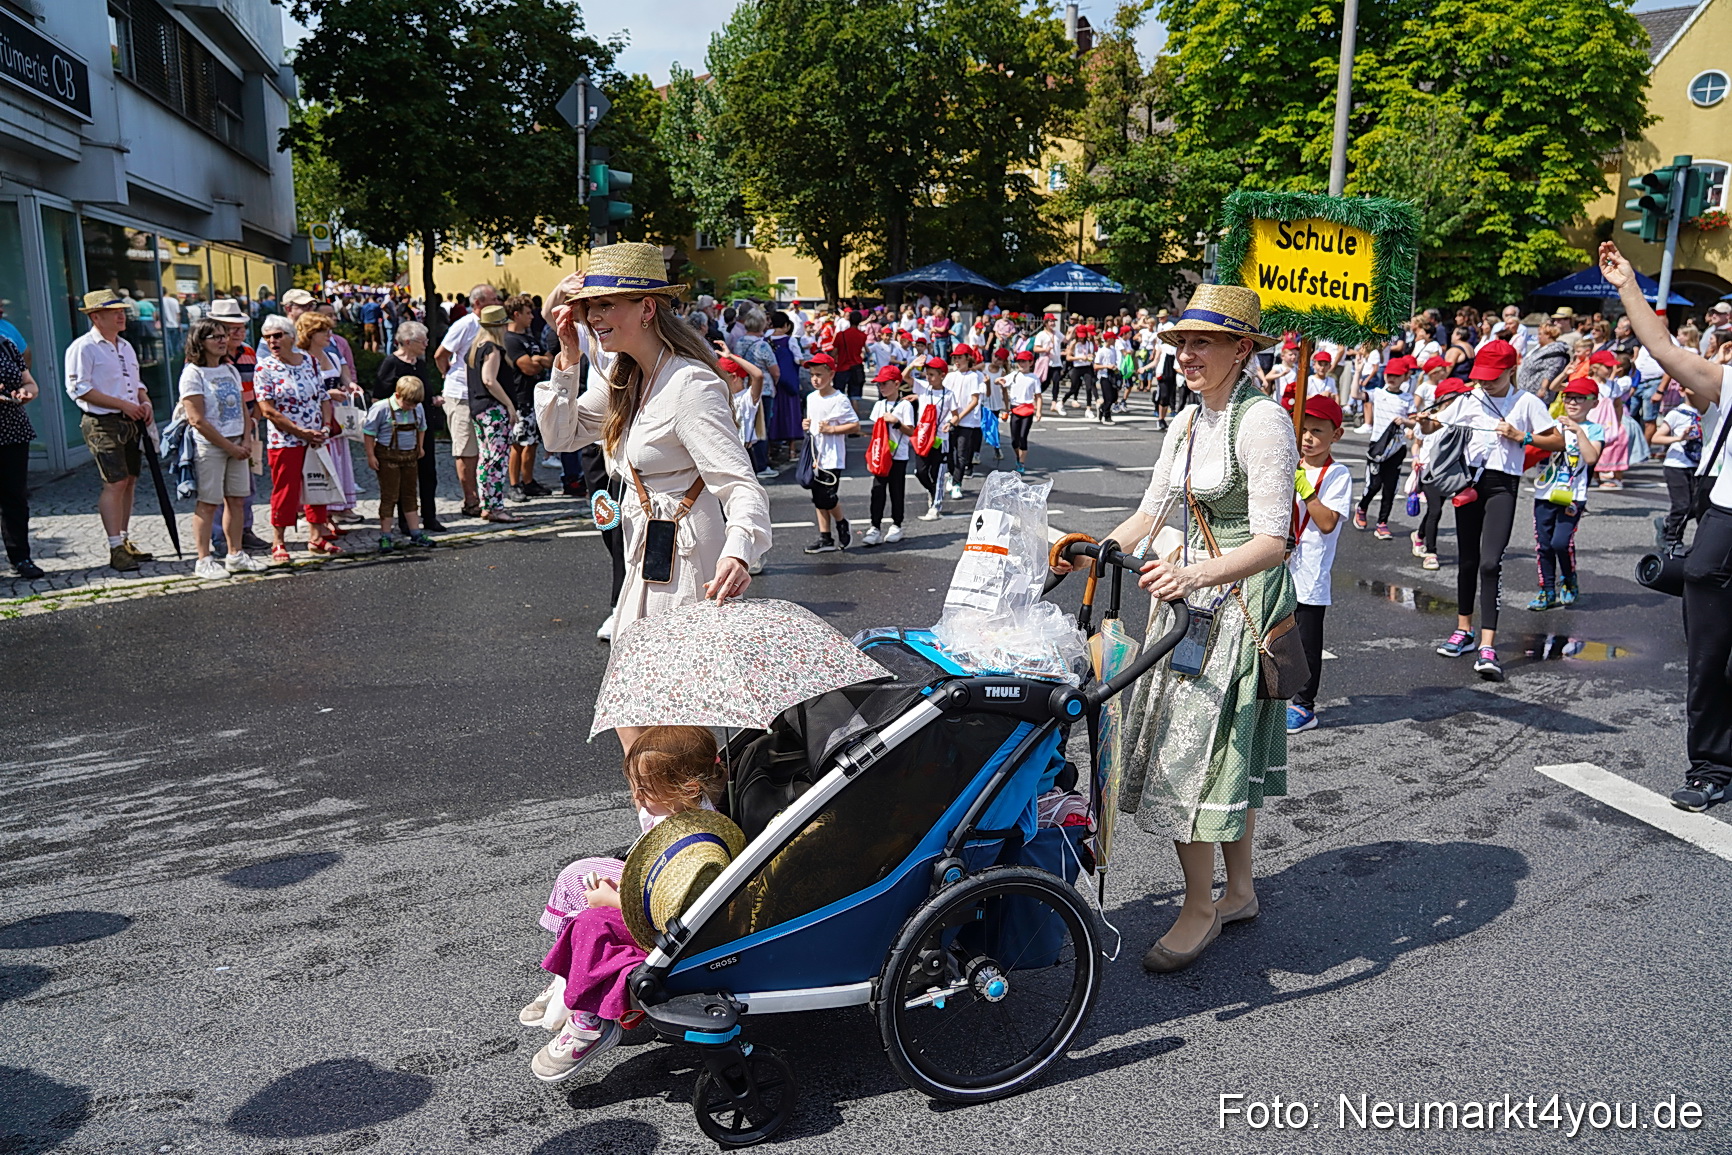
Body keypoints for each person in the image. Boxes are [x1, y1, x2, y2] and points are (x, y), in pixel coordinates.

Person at [1054, 285, 1297, 973]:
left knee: (1195, 756)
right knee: (1216, 752)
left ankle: (1202, 905)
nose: (1186, 354)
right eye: (1182, 342)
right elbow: (1149, 514)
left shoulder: (1263, 422)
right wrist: (1090, 550)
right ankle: (1239, 889)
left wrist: (1194, 576)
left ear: (1241, 349)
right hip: (1190, 598)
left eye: (1203, 342)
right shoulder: (1188, 423)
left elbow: (1275, 541)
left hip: (1237, 601)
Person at [534, 243, 773, 756]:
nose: (594, 317)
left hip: (688, 552)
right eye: (589, 307)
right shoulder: (625, 374)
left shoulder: (690, 384)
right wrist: (568, 360)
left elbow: (740, 483)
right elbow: (560, 434)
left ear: (647, 308)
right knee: (630, 701)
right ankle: (666, 821)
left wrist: (740, 549)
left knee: (678, 714)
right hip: (644, 546)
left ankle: (696, 824)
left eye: (606, 305)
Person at [1600, 241, 1732, 811]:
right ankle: (1711, 767)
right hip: (1726, 525)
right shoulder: (1727, 382)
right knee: (1708, 660)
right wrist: (1628, 283)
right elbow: (1660, 346)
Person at [527, 726, 736, 1082]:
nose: (636, 796)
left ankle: (591, 1021)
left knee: (591, 924)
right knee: (577, 873)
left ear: (687, 789)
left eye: (645, 789)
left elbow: (670, 910)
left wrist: (612, 898)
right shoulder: (677, 809)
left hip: (669, 920)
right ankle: (572, 974)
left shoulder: (698, 845)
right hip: (655, 887)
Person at [1427, 340, 1563, 681]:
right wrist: (1421, 422)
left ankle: (1489, 644)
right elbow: (1436, 425)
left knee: (1490, 562)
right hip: (1468, 483)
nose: (1485, 383)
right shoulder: (1469, 398)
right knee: (1467, 559)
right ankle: (1463, 630)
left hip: (1503, 485)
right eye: (1481, 376)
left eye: (1493, 377)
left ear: (1512, 370)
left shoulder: (1526, 401)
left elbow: (1557, 440)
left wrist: (1522, 436)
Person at [65, 290, 155, 572]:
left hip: (129, 420)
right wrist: (122, 405)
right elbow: (80, 389)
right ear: (95, 317)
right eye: (113, 311)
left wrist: (144, 401)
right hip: (102, 421)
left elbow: (135, 381)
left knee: (129, 480)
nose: (121, 315)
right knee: (114, 482)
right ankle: (115, 545)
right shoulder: (84, 347)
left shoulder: (125, 346)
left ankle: (124, 540)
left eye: (121, 310)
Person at [177, 319, 266, 579]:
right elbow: (197, 419)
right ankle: (204, 559)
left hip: (238, 443)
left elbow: (242, 407)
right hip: (211, 447)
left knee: (237, 500)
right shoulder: (193, 373)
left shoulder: (229, 369)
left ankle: (235, 554)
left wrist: (246, 439)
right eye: (214, 337)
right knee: (208, 503)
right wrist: (228, 445)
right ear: (199, 342)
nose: (222, 340)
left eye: (222, 336)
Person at [1286, 395, 1352, 735]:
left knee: (1306, 643)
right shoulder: (1290, 462)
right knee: (1274, 634)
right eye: (1303, 430)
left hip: (1310, 572)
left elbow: (1326, 523)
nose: (1308, 438)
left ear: (1335, 435)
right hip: (1279, 565)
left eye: (1317, 431)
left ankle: (1304, 705)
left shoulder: (1337, 474)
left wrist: (1306, 489)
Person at [253, 313, 339, 561]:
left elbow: (323, 396)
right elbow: (268, 409)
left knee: (316, 485)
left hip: (314, 437)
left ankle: (316, 537)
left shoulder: (309, 362)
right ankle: (278, 541)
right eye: (267, 337)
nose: (272, 341)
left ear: (291, 337)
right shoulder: (265, 367)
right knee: (285, 489)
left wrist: (324, 426)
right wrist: (299, 431)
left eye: (277, 336)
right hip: (285, 440)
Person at [1528, 379, 1604, 610]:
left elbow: (1592, 458)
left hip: (1572, 495)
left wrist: (1578, 431)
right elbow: (1532, 450)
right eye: (1568, 397)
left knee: (1561, 542)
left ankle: (1569, 579)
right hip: (1545, 492)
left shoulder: (1594, 429)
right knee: (1543, 544)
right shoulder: (1551, 426)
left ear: (1594, 403)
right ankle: (1546, 590)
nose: (1572, 402)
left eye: (1580, 398)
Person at [435, 282, 502, 516]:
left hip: (481, 396)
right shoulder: (464, 325)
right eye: (492, 300)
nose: (497, 303)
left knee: (486, 449)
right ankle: (470, 500)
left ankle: (486, 497)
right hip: (461, 394)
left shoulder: (491, 325)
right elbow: (440, 354)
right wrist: (449, 375)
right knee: (467, 449)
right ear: (478, 304)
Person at [377, 320, 443, 532]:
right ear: (406, 342)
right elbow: (379, 396)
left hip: (422, 426)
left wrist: (433, 399)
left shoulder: (420, 363)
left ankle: (429, 516)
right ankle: (405, 521)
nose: (425, 344)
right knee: (404, 475)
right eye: (421, 341)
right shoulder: (391, 363)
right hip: (400, 429)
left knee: (428, 472)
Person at [363, 374, 435, 550]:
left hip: (410, 456)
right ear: (397, 395)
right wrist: (371, 455)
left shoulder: (417, 409)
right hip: (388, 457)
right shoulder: (381, 408)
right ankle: (385, 535)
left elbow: (422, 428)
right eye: (408, 404)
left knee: (410, 494)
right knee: (390, 496)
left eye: (414, 404)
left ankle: (415, 532)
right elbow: (369, 433)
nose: (411, 407)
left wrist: (420, 446)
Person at [466, 304, 521, 523]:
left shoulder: (476, 347)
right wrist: (509, 404)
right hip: (493, 411)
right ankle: (495, 506)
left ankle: (486, 503)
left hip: (479, 409)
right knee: (498, 459)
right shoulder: (492, 349)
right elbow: (489, 380)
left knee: (485, 458)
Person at [802, 353, 858, 553]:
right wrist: (806, 425)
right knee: (817, 497)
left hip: (832, 456)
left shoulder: (839, 399)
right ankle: (825, 537)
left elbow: (855, 425)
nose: (815, 379)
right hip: (815, 456)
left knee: (827, 496)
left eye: (819, 374)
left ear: (831, 374)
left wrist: (833, 429)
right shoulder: (811, 398)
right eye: (812, 375)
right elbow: (812, 425)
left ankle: (841, 522)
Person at [502, 293, 553, 501]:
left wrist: (538, 359)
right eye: (528, 313)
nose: (532, 316)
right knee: (518, 443)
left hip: (535, 397)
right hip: (520, 398)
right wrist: (538, 362)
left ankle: (528, 481)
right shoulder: (510, 340)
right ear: (516, 315)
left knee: (532, 442)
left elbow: (550, 360)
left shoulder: (530, 338)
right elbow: (527, 367)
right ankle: (514, 484)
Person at [0, 329, 42, 577]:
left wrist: (26, 393)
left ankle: (21, 558)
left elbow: (30, 383)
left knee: (15, 498)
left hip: (13, 431)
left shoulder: (5, 344)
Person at [1354, 367, 1415, 539]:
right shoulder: (1378, 393)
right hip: (1378, 446)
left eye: (1397, 375)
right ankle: (1362, 507)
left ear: (1405, 376)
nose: (1392, 378)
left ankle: (1382, 523)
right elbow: (1356, 395)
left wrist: (1405, 421)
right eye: (1389, 374)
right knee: (1374, 484)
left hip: (1397, 447)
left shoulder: (1407, 398)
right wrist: (1358, 371)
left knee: (1390, 487)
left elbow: (1415, 423)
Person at [864, 364, 913, 545]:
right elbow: (875, 431)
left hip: (898, 456)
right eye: (879, 384)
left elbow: (911, 431)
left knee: (896, 490)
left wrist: (897, 422)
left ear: (896, 383)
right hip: (881, 455)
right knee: (877, 491)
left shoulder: (905, 405)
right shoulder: (879, 405)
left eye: (885, 384)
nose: (881, 387)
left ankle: (897, 524)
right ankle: (874, 526)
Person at [1652, 386, 1705, 546]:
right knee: (1681, 505)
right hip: (1676, 464)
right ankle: (1672, 540)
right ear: (1682, 391)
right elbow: (1656, 438)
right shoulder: (1677, 413)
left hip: (1699, 465)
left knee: (1696, 507)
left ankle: (1667, 522)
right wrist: (1679, 438)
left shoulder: (1706, 412)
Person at [908, 354, 955, 521]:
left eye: (932, 374)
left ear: (942, 375)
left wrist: (951, 422)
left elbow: (955, 414)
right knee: (919, 471)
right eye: (927, 374)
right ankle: (933, 491)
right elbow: (903, 377)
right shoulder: (923, 388)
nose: (929, 378)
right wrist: (913, 365)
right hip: (922, 438)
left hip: (939, 439)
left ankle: (936, 507)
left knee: (937, 473)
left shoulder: (948, 394)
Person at [942, 346, 985, 496]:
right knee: (949, 452)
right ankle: (951, 475)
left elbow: (974, 400)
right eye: (955, 358)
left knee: (962, 453)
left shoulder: (973, 376)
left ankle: (957, 483)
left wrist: (959, 417)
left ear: (968, 358)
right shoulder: (950, 376)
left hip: (967, 422)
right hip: (949, 420)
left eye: (960, 357)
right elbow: (943, 395)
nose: (957, 361)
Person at [1003, 349, 1042, 473]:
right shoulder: (1014, 375)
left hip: (1027, 409)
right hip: (1015, 409)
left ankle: (1022, 462)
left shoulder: (1034, 378)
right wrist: (998, 380)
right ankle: (1017, 456)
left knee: (1023, 436)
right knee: (1014, 439)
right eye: (1019, 361)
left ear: (1031, 363)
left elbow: (1038, 396)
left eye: (1024, 361)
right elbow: (1003, 381)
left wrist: (1039, 411)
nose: (1021, 364)